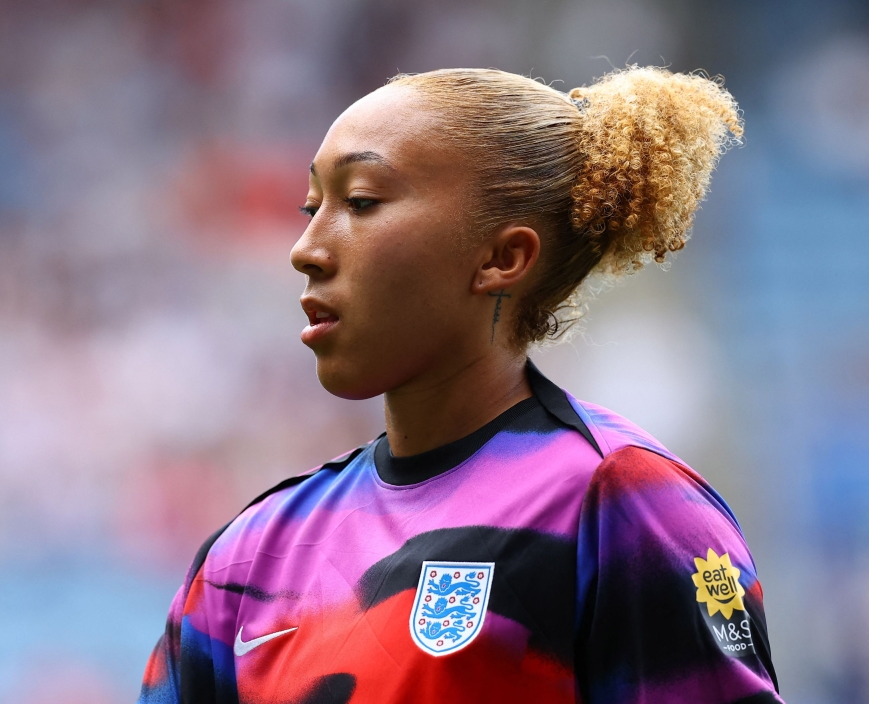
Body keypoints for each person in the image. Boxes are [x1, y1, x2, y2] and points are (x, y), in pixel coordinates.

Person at [138, 66, 781, 703]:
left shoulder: (618, 502)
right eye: (312, 207)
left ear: (502, 258)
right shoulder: (249, 556)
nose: (305, 248)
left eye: (360, 201)